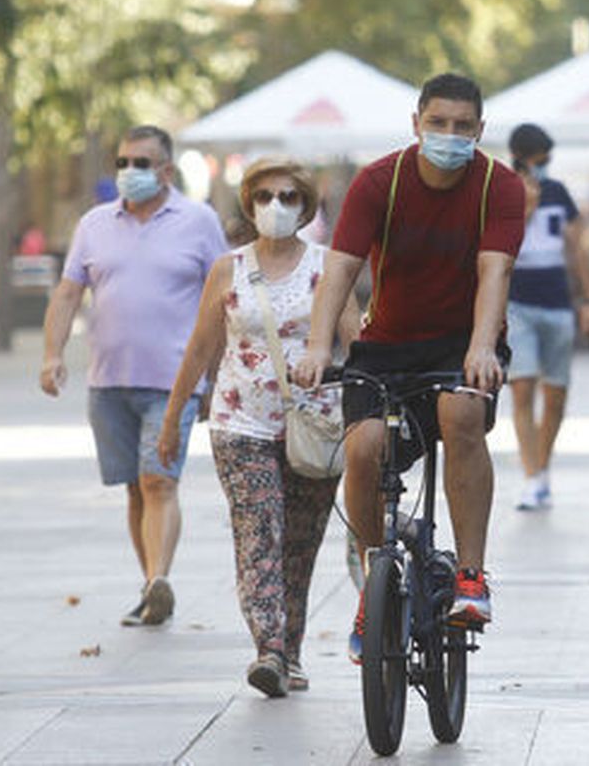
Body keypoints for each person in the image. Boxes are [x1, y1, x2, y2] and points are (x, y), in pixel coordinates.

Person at [291, 73, 525, 663]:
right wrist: (320, 346)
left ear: (480, 130)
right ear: (416, 123)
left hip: (461, 341)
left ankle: (470, 576)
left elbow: (494, 272)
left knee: (460, 411)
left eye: (463, 126)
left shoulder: (500, 185)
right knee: (365, 447)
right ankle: (374, 583)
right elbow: (340, 270)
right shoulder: (379, 182)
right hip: (387, 343)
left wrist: (481, 347)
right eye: (438, 123)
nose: (449, 135)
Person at [156, 158, 360, 697]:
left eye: (289, 196)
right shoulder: (228, 268)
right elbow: (202, 345)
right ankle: (268, 648)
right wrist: (174, 416)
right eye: (266, 196)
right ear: (249, 205)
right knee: (258, 534)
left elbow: (356, 344)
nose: (277, 206)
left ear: (306, 206)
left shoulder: (328, 266)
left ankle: (289, 652)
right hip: (237, 421)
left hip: (314, 424)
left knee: (300, 543)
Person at [39, 125, 228, 628]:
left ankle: (158, 580)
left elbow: (222, 303)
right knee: (133, 488)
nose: (130, 173)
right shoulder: (94, 224)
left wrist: (215, 377)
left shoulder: (199, 221)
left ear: (167, 170)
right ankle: (151, 586)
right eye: (123, 163)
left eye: (142, 164)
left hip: (173, 383)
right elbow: (66, 293)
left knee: (158, 481)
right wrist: (51, 355)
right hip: (109, 382)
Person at [504, 123, 589, 511]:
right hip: (517, 302)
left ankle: (542, 468)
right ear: (521, 158)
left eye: (547, 160)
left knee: (556, 393)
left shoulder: (558, 193)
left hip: (558, 301)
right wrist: (524, 208)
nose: (544, 167)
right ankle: (532, 476)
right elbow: (498, 245)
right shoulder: (503, 192)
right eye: (538, 160)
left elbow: (577, 248)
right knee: (522, 387)